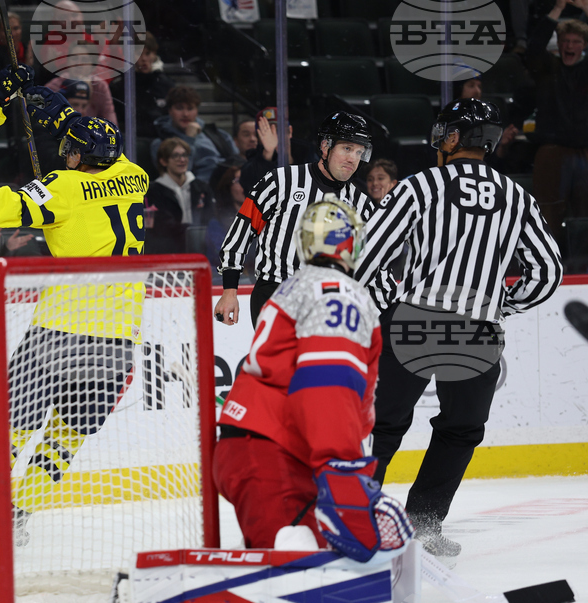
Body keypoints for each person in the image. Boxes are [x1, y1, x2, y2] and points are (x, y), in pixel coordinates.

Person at [0, 68, 148, 543]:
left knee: (10, 430)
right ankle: (16, 515)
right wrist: (59, 115)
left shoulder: (65, 188)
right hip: (119, 340)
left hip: (61, 331)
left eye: (70, 149)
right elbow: (100, 156)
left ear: (79, 157)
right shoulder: (134, 177)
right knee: (63, 440)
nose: (66, 154)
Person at [354, 99, 563, 561]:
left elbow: (366, 255)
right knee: (460, 430)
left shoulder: (420, 187)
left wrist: (386, 303)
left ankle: (353, 519)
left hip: (416, 319)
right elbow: (546, 272)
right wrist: (500, 305)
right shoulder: (516, 195)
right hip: (479, 329)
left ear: (451, 138)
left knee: (383, 428)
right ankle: (424, 526)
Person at [214, 195, 413, 562]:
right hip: (274, 455)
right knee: (298, 577)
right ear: (354, 244)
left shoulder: (295, 286)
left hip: (262, 449)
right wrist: (344, 470)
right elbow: (327, 383)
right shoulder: (341, 293)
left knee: (296, 575)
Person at [215, 112, 379, 329]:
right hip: (276, 293)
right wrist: (229, 291)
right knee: (282, 364)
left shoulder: (361, 204)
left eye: (359, 152)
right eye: (346, 148)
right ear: (325, 146)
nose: (353, 158)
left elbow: (376, 262)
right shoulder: (280, 181)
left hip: (329, 304)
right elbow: (241, 233)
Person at [522, 3, 588, 255]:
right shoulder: (547, 69)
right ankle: (549, 264)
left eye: (576, 41)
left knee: (585, 216)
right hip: (551, 152)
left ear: (584, 45)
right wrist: (558, 7)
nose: (570, 46)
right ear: (558, 44)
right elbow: (534, 47)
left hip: (585, 152)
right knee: (547, 216)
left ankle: (583, 267)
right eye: (566, 41)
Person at [150, 85, 237, 184]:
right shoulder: (160, 142)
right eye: (179, 108)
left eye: (190, 108)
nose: (185, 114)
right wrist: (189, 139)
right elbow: (176, 178)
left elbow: (236, 161)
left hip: (226, 186)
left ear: (197, 111)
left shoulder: (215, 133)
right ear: (170, 111)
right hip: (195, 190)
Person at [145, 137, 215, 254]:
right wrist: (191, 231)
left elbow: (210, 217)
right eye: (175, 156)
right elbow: (162, 226)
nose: (182, 160)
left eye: (184, 155)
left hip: (202, 246)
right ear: (163, 161)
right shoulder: (154, 190)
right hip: (169, 249)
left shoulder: (201, 187)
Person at [109, 32, 174, 140]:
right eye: (138, 53)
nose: (143, 59)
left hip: (161, 142)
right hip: (129, 142)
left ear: (154, 55)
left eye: (147, 53)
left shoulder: (167, 85)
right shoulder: (119, 86)